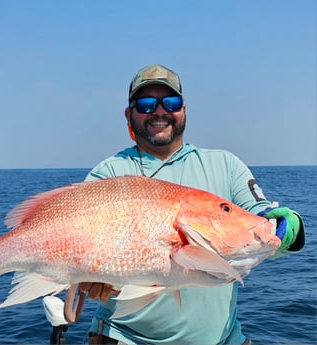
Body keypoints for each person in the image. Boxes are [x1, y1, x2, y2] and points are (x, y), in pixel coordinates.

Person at [79, 64, 305, 345]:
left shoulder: (225, 165)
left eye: (170, 102)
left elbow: (262, 217)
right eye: (147, 104)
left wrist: (284, 227)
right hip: (123, 339)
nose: (159, 111)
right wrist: (89, 278)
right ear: (129, 114)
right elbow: (79, 250)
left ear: (183, 109)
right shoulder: (109, 173)